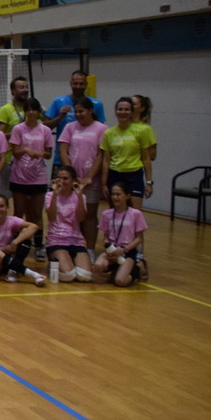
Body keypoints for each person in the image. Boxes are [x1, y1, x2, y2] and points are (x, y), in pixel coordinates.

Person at [58, 96, 106, 254]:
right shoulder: (70, 127)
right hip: (73, 182)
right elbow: (63, 150)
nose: (78, 115)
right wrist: (71, 175)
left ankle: (90, 250)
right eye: (76, 112)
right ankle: (74, 248)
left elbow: (100, 154)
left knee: (90, 216)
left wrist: (89, 177)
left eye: (81, 111)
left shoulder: (101, 129)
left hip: (91, 182)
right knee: (73, 214)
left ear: (90, 110)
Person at [9, 97, 54, 260]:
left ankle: (39, 245)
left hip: (38, 177)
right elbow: (15, 153)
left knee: (36, 213)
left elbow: (48, 154)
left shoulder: (45, 130)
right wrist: (26, 150)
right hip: (19, 176)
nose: (31, 113)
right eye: (28, 110)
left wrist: (41, 153)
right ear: (25, 111)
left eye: (34, 110)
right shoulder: (18, 129)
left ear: (38, 112)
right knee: (18, 212)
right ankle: (16, 243)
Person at [100, 98, 155, 211]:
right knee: (116, 213)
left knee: (135, 213)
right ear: (115, 112)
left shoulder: (141, 131)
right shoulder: (109, 133)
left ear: (131, 112)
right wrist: (104, 184)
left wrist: (149, 182)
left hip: (134, 175)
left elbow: (146, 158)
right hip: (114, 175)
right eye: (120, 109)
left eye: (126, 109)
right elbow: (106, 160)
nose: (123, 112)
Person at [0, 194, 45, 284]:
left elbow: (34, 227)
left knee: (25, 232)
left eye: (1, 206)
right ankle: (33, 274)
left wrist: (15, 242)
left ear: (7, 207)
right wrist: (5, 249)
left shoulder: (12, 220)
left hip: (8, 258)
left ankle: (13, 270)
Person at [93, 182, 147, 287]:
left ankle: (136, 269)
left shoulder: (135, 214)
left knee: (120, 281)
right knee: (98, 267)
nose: (115, 197)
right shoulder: (107, 214)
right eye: (113, 194)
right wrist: (107, 247)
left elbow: (139, 238)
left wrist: (125, 249)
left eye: (118, 194)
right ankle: (116, 270)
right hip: (113, 250)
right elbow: (106, 236)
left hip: (128, 251)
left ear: (127, 196)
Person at [45, 70, 106, 165]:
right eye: (75, 83)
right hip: (62, 159)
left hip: (89, 161)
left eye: (81, 84)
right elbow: (45, 128)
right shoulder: (58, 102)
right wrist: (59, 117)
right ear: (70, 83)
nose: (78, 86)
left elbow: (100, 134)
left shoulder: (96, 104)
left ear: (86, 84)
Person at [45, 165, 92, 282]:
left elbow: (81, 218)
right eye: (59, 178)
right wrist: (55, 195)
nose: (61, 181)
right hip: (56, 239)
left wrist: (80, 195)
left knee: (85, 276)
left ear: (73, 181)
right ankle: (55, 260)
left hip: (76, 240)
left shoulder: (81, 197)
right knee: (68, 276)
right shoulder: (50, 195)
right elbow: (51, 217)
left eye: (65, 178)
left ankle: (68, 259)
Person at [131, 94, 158, 162]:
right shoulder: (120, 127)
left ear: (142, 108)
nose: (129, 106)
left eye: (133, 104)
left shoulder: (146, 129)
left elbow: (152, 155)